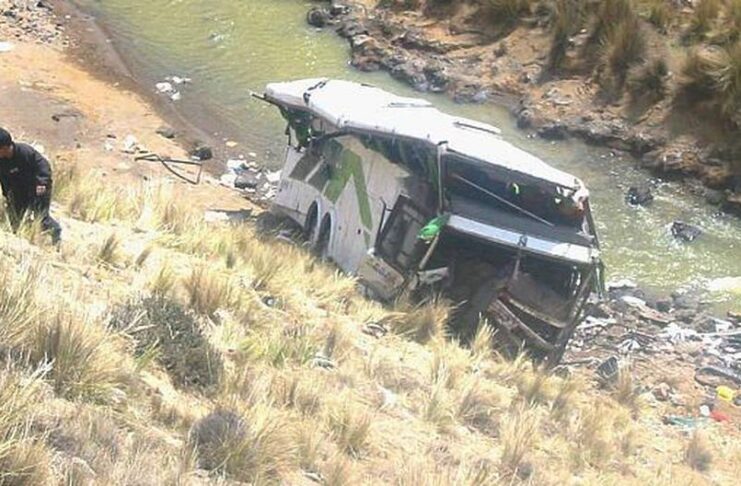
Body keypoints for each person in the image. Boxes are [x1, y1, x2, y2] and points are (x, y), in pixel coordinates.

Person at [0, 128, 61, 244]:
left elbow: (43, 166)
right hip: (19, 190)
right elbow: (3, 179)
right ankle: (24, 240)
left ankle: (56, 235)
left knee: (41, 217)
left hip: (39, 188)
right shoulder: (1, 161)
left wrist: (42, 182)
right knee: (16, 216)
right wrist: (7, 194)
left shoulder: (25, 151)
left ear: (4, 148)